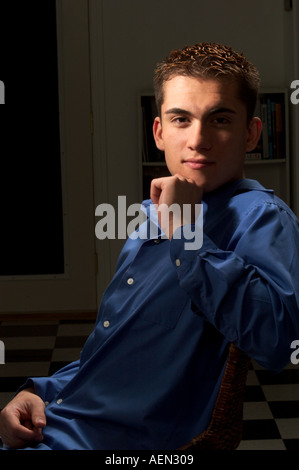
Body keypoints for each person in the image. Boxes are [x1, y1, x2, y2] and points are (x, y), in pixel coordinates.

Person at [1, 42, 299, 450]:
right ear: (158, 132)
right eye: (181, 119)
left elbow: (279, 344)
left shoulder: (262, 216)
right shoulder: (151, 213)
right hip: (61, 420)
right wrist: (38, 392)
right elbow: (116, 350)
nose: (198, 140)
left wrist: (186, 232)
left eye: (220, 119)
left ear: (251, 133)